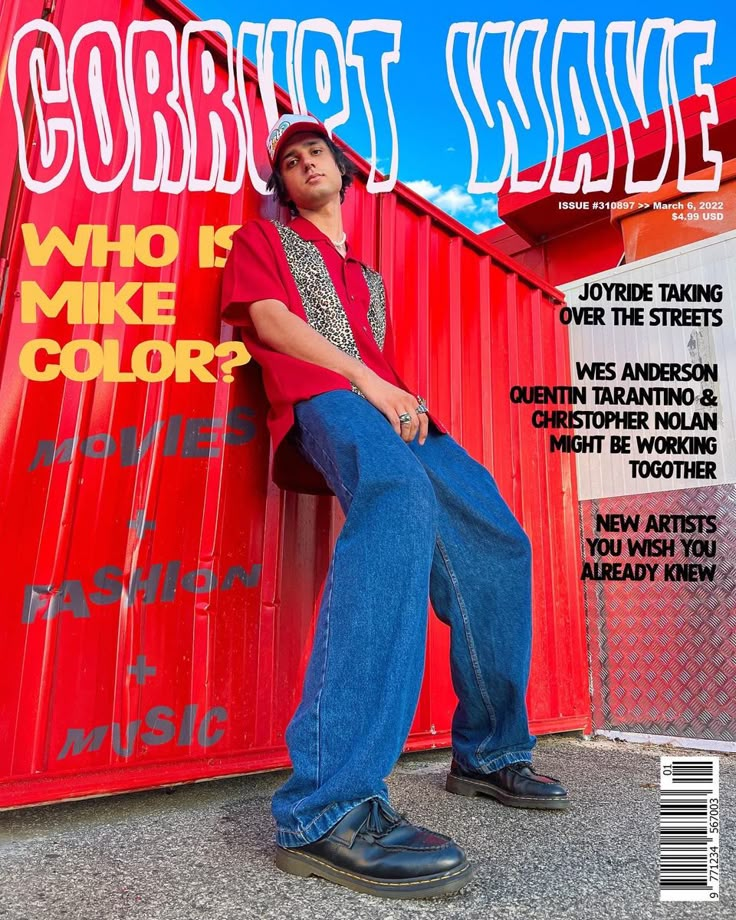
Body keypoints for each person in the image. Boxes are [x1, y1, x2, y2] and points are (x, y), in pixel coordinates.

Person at [220, 113, 569, 900]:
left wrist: (395, 394)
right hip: (326, 399)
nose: (305, 162)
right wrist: (370, 384)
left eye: (317, 152)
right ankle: (325, 808)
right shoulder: (266, 242)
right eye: (290, 159)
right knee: (398, 499)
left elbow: (378, 360)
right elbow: (270, 323)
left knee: (496, 540)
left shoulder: (368, 278)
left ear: (344, 174)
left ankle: (488, 753)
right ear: (280, 183)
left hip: (396, 408)